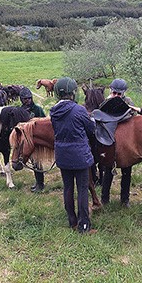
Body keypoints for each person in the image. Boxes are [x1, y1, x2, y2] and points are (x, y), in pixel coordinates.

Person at [50, 77, 97, 234]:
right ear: (73, 93)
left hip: (62, 156)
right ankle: (84, 225)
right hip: (80, 156)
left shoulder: (54, 111)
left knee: (68, 188)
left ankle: (72, 220)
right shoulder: (79, 110)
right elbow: (91, 129)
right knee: (82, 189)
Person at [101, 78, 135, 207]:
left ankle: (125, 199)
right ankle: (104, 199)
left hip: (126, 140)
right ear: (111, 91)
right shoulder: (106, 101)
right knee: (108, 170)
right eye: (114, 93)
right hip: (110, 138)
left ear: (123, 93)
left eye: (119, 94)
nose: (116, 96)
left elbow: (132, 116)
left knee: (127, 171)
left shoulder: (128, 102)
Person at [19, 87, 47, 192]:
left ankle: (40, 184)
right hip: (27, 140)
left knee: (37, 162)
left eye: (29, 98)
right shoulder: (21, 110)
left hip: (37, 140)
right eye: (25, 99)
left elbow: (45, 122)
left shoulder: (37, 109)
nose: (27, 101)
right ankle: (37, 182)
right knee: (32, 162)